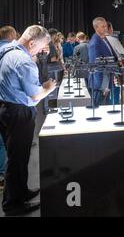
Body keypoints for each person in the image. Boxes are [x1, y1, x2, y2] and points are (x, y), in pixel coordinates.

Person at [0, 25, 57, 216]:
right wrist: (48, 88)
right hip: (19, 112)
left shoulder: (6, 49)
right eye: (39, 47)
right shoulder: (24, 61)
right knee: (18, 158)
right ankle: (12, 204)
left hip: (5, 109)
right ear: (31, 42)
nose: (41, 51)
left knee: (17, 156)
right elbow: (35, 95)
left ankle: (21, 193)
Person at [0, 26, 16, 190]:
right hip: (6, 102)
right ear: (11, 35)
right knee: (6, 145)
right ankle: (5, 179)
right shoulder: (9, 51)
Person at [88, 17, 114, 107]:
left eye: (106, 26)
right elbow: (97, 67)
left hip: (105, 82)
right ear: (96, 28)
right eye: (103, 26)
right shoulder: (95, 43)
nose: (106, 28)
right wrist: (103, 87)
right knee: (99, 111)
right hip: (99, 86)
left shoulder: (103, 40)